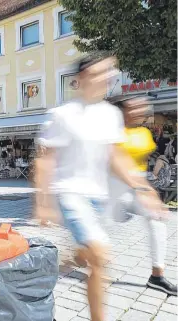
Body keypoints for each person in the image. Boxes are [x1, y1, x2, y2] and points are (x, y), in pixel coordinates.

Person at [35, 55, 166, 321]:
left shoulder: (110, 115)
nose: (106, 78)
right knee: (100, 257)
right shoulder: (62, 115)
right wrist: (43, 203)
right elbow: (45, 160)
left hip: (99, 197)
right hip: (69, 193)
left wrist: (143, 189)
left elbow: (117, 157)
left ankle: (71, 259)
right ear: (80, 80)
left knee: (90, 255)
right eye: (98, 73)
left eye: (108, 73)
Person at [106, 96, 176, 295]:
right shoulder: (112, 132)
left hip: (136, 185)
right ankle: (75, 258)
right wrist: (142, 189)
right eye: (134, 108)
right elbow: (115, 163)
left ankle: (157, 276)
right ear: (123, 110)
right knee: (100, 233)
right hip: (112, 187)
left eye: (142, 108)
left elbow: (141, 167)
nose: (140, 111)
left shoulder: (144, 134)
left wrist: (148, 189)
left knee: (156, 220)